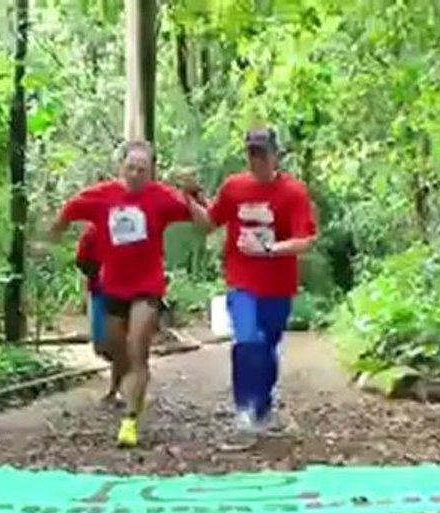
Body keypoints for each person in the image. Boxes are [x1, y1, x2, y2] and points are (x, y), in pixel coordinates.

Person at [47, 140, 202, 447]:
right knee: (110, 346)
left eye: (142, 169)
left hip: (147, 286)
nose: (135, 174)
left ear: (151, 172)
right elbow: (70, 209)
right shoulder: (101, 196)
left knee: (137, 347)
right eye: (131, 167)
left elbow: (200, 218)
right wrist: (53, 233)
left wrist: (195, 196)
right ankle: (130, 379)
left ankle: (130, 420)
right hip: (113, 286)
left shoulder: (162, 197)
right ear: (122, 167)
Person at [186, 127, 318, 434]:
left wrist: (270, 249)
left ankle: (262, 405)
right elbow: (209, 223)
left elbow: (306, 240)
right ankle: (244, 407)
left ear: (275, 155)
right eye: (251, 153)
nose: (256, 159)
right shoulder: (234, 187)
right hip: (242, 280)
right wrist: (190, 200)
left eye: (262, 153)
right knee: (247, 341)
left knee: (268, 347)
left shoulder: (293, 192)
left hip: (278, 285)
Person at [75, 224, 123, 405]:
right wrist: (99, 271)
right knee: (101, 345)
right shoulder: (93, 229)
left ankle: (116, 388)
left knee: (118, 341)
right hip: (100, 290)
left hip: (124, 290)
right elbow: (81, 259)